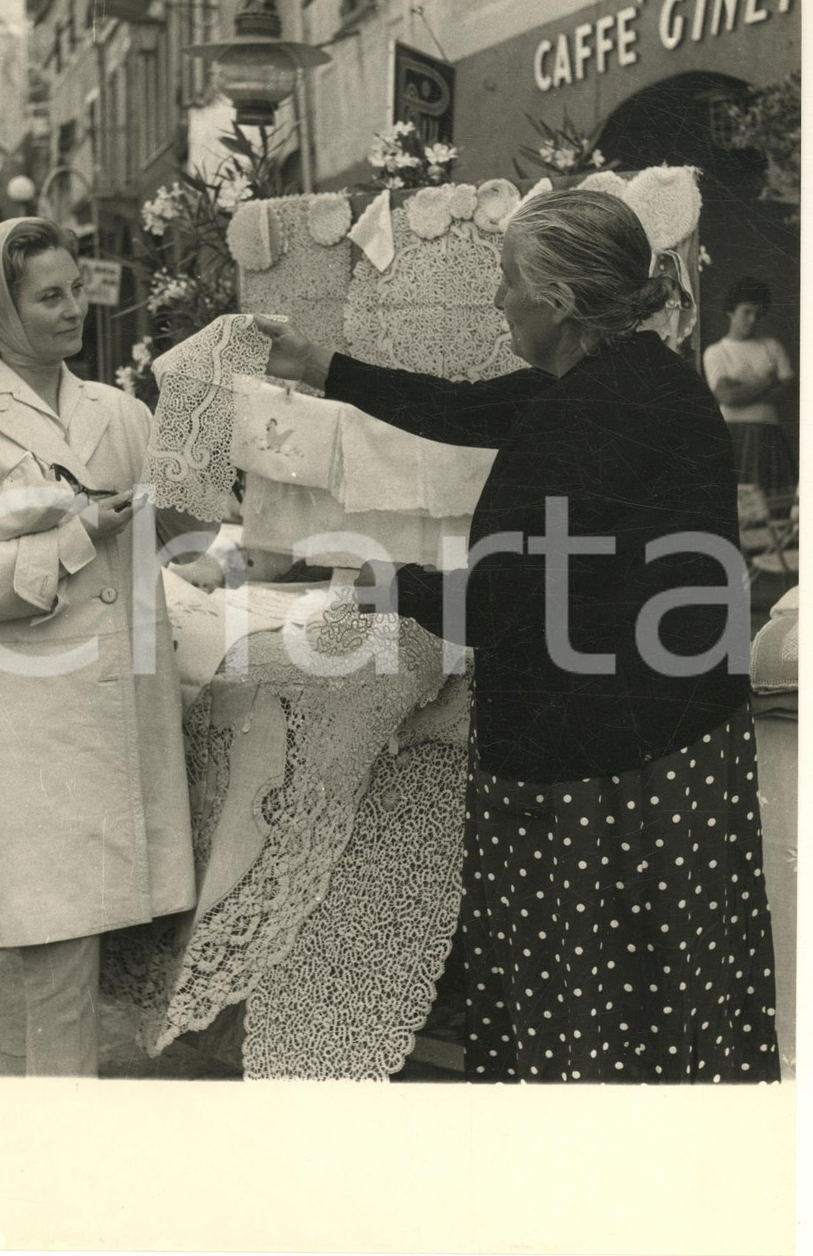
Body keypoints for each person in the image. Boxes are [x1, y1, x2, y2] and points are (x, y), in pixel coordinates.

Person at [255, 189, 780, 1084]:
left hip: (597, 774)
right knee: (674, 1009)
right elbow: (464, 412)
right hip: (683, 749)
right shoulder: (644, 376)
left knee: (581, 1021)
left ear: (563, 302)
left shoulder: (581, 417)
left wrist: (382, 580)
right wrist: (321, 366)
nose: (497, 302)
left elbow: (498, 605)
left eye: (507, 283)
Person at [0, 217, 215, 1077]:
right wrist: (71, 538)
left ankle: (80, 1150)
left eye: (77, 288)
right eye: (51, 296)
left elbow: (181, 529)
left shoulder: (116, 411)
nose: (75, 308)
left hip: (117, 711)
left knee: (115, 952)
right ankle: (55, 1158)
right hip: (32, 729)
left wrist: (206, 494)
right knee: (59, 971)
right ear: (1, 311)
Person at [703, 276, 796, 498]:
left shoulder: (771, 347)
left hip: (768, 437)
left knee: (774, 507)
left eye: (758, 313)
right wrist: (767, 381)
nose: (753, 319)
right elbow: (727, 397)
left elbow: (788, 390)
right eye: (746, 312)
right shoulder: (716, 352)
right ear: (731, 312)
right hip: (733, 438)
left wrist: (742, 388)